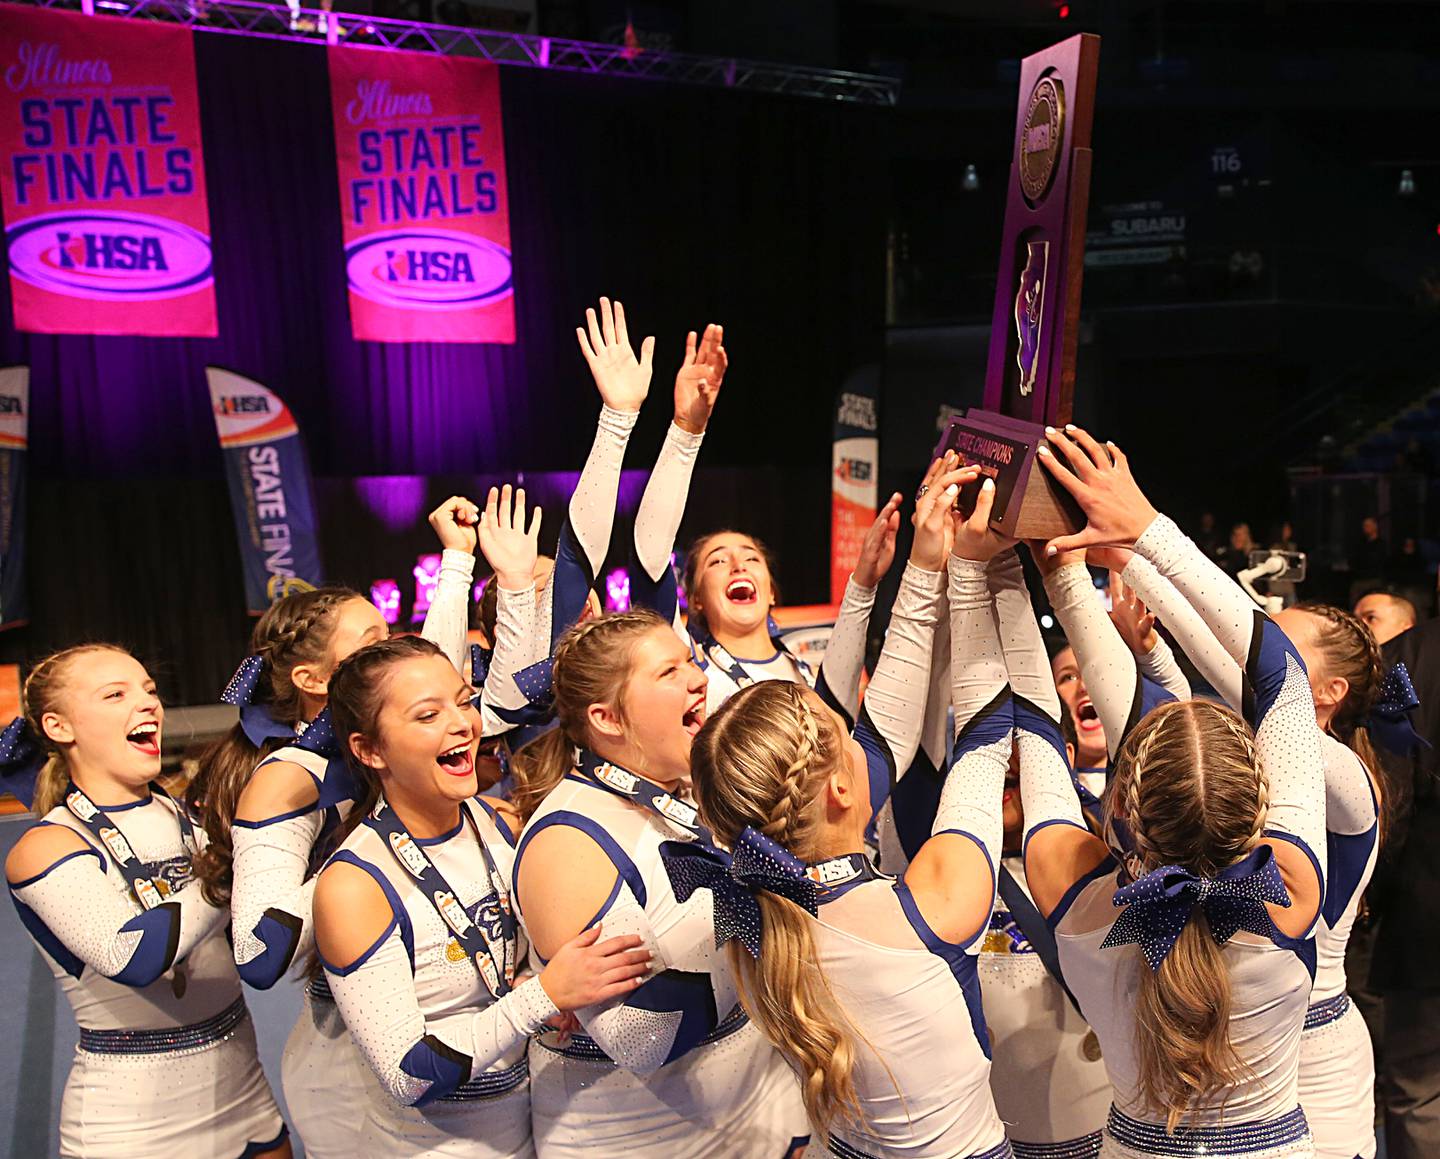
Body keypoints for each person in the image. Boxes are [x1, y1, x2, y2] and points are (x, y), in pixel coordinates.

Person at [686, 464, 1012, 1158]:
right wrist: (985, 572)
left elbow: (879, 737)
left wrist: (924, 570)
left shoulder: (756, 925)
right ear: (838, 789)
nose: (862, 742)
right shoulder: (930, 906)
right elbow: (984, 737)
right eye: (844, 741)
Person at [1023, 424, 1326, 1156]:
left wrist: (1037, 565)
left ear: (1120, 807)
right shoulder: (1292, 893)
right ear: (1260, 808)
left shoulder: (1080, 902)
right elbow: (1282, 678)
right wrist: (1147, 530)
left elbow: (1030, 721)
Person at [310, 635, 651, 1157]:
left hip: (530, 1130)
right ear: (369, 750)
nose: (461, 724)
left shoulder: (498, 821)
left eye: (464, 701)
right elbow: (408, 1075)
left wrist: (537, 986)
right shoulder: (352, 886)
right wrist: (544, 995)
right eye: (427, 716)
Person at [4, 645, 288, 1158]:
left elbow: (258, 948)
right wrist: (240, 854)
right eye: (116, 694)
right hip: (133, 1127)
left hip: (245, 1095)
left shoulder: (185, 818)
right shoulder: (46, 845)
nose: (147, 704)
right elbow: (131, 957)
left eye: (150, 691)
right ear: (58, 726)